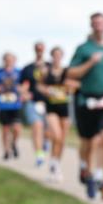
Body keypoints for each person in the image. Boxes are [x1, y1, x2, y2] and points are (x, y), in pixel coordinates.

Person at [67, 12, 103, 200]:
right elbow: (72, 73)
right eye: (95, 23)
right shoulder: (84, 49)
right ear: (91, 25)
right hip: (86, 100)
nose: (99, 26)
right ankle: (87, 170)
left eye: (102, 22)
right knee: (89, 142)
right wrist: (90, 63)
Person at [36, 46, 75, 183]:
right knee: (56, 135)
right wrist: (46, 90)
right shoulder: (46, 71)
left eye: (59, 55)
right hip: (51, 106)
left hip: (64, 106)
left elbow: (73, 86)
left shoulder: (67, 71)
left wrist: (70, 88)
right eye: (55, 55)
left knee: (62, 139)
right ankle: (53, 164)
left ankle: (55, 164)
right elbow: (39, 85)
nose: (57, 57)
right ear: (52, 56)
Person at [20, 41, 49, 167]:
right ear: (34, 50)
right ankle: (39, 155)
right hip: (32, 102)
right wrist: (24, 93)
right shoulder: (28, 68)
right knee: (36, 127)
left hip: (48, 103)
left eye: (41, 48)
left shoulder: (50, 66)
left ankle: (45, 142)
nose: (39, 50)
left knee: (48, 131)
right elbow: (23, 85)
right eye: (37, 48)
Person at [0, 53, 23, 160]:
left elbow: (25, 86)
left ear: (15, 60)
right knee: (5, 129)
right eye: (7, 60)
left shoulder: (19, 72)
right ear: (3, 60)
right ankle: (6, 151)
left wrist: (21, 89)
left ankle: (13, 143)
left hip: (15, 104)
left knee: (17, 128)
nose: (9, 61)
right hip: (3, 104)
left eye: (11, 60)